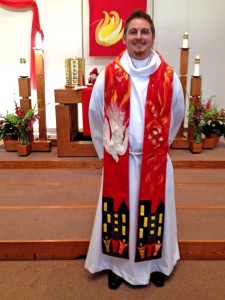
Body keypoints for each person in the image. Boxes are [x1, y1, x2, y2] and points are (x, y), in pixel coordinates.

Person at [85, 9, 184, 289]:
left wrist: (159, 148)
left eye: (144, 32)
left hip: (153, 161)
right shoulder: (109, 75)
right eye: (133, 32)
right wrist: (108, 153)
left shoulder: (168, 77)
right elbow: (95, 115)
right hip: (121, 160)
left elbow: (177, 114)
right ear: (124, 38)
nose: (139, 37)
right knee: (120, 214)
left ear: (153, 37)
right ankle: (117, 266)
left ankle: (156, 265)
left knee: (155, 214)